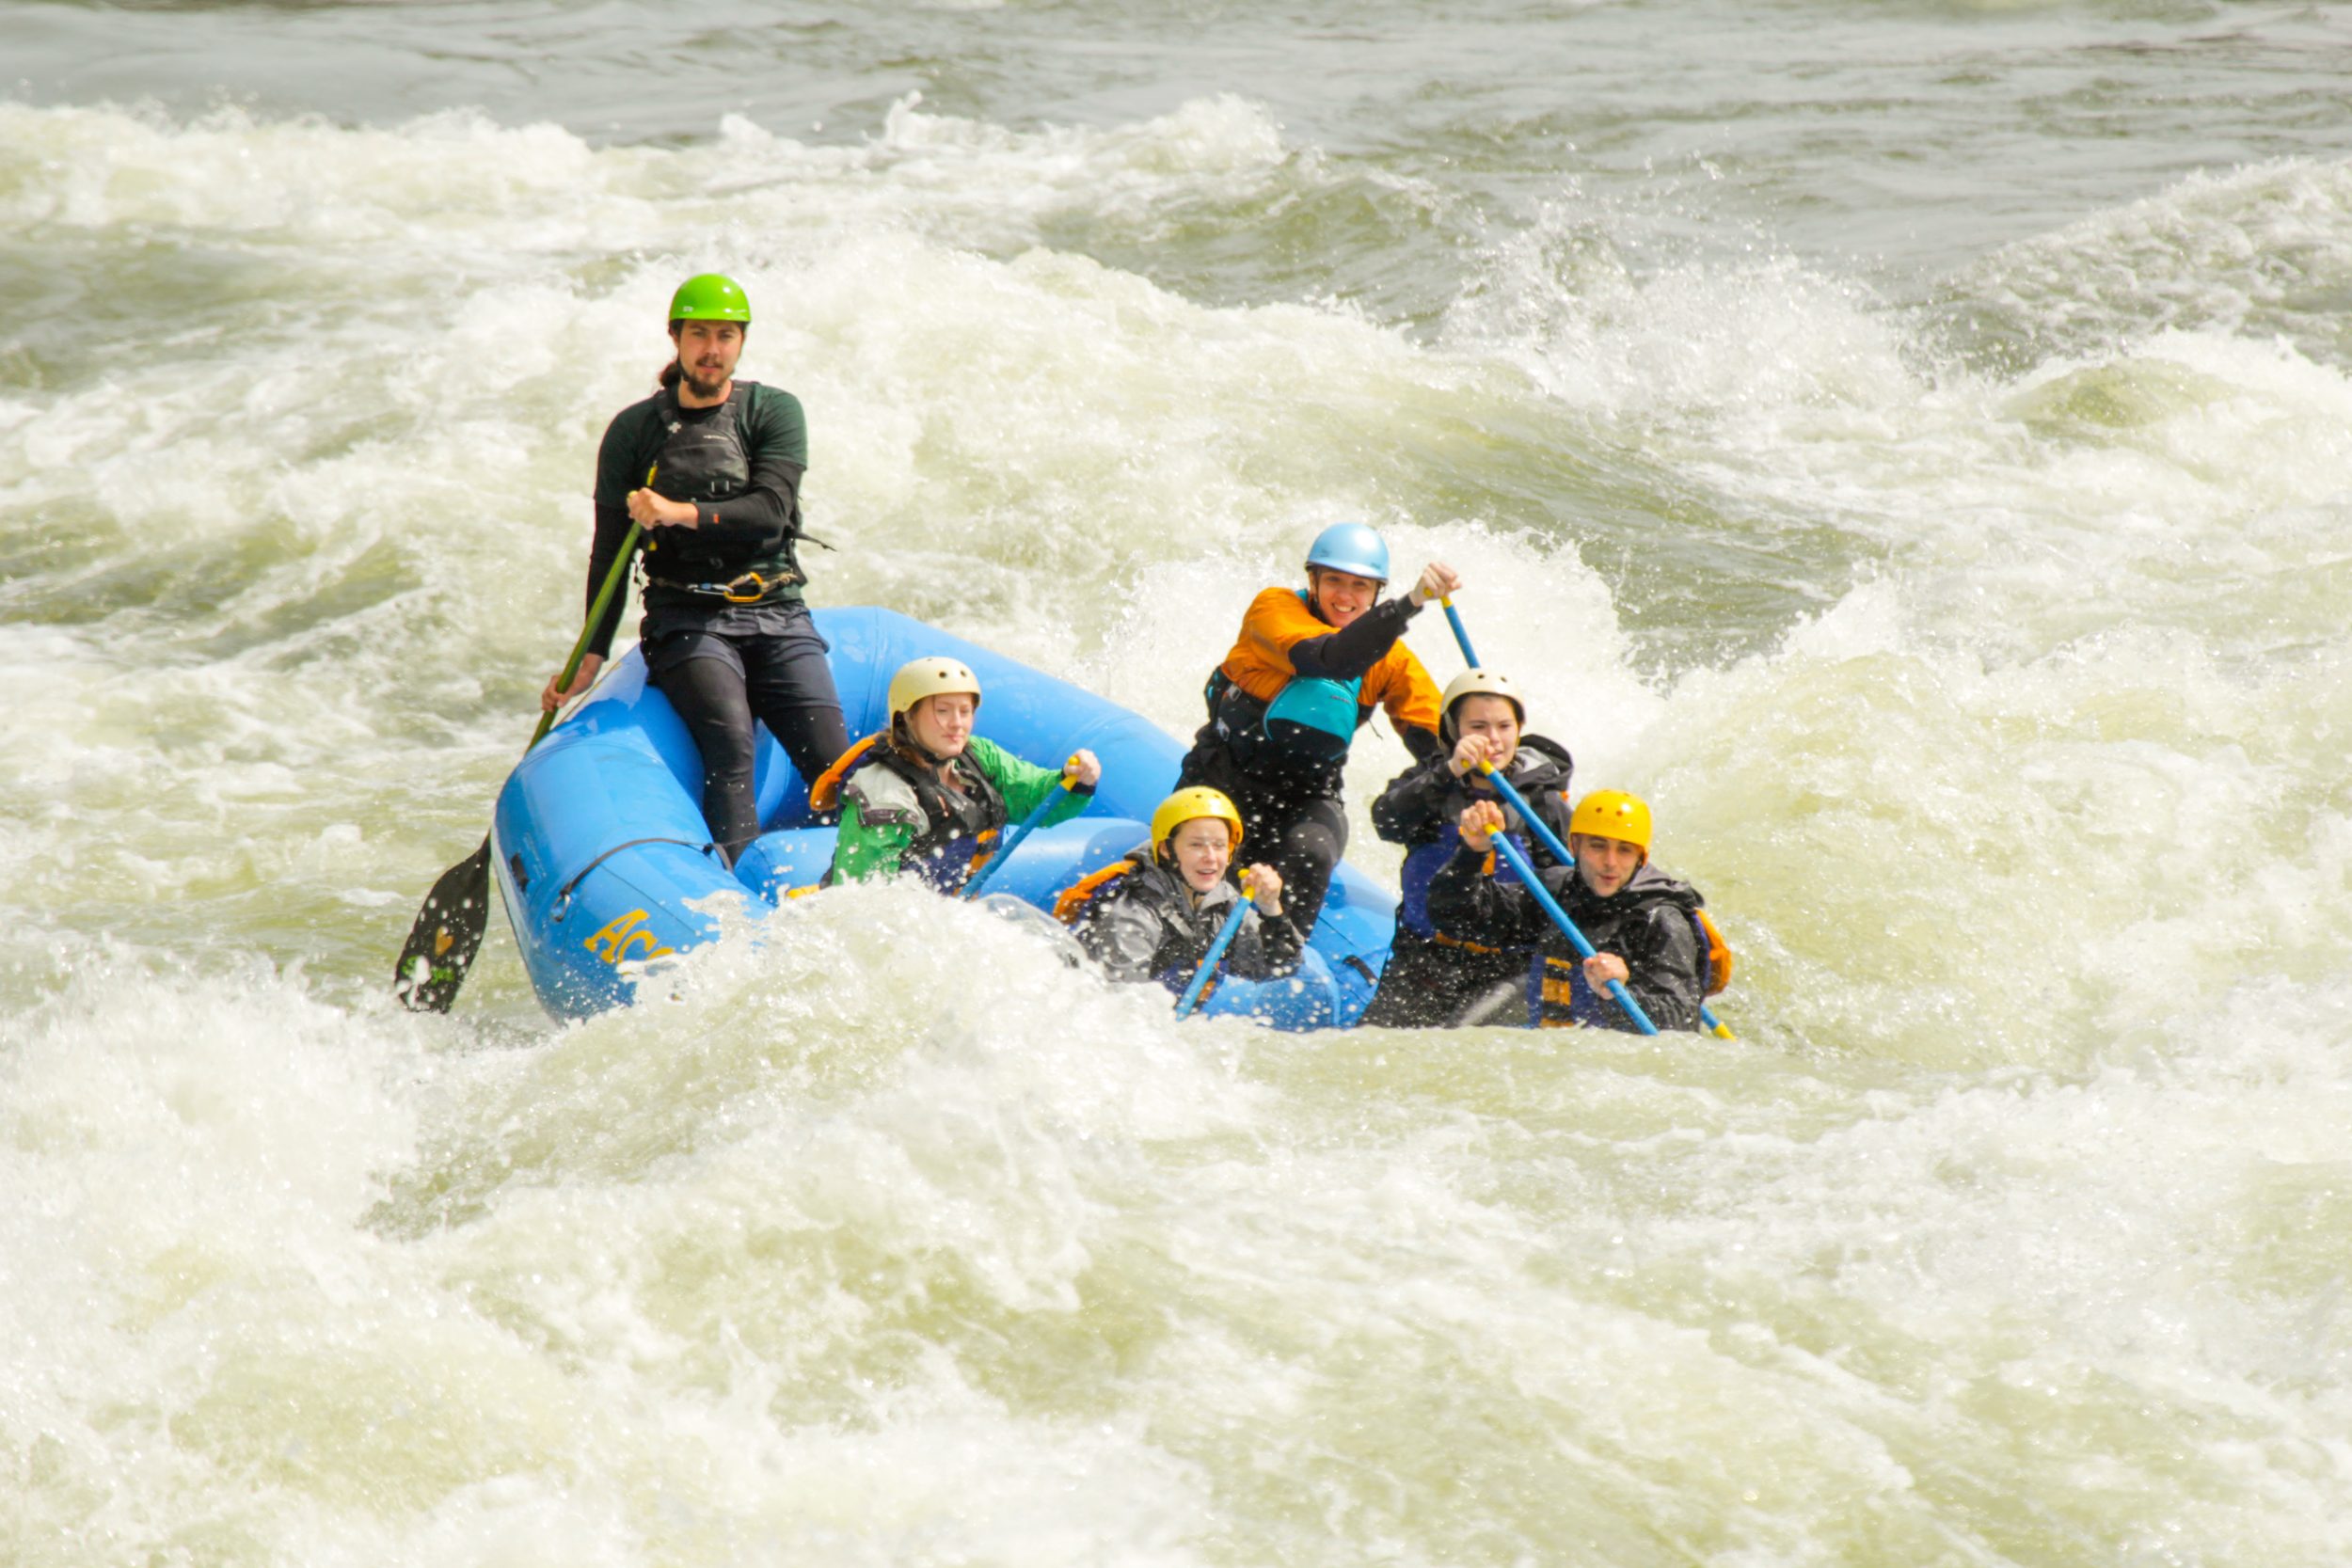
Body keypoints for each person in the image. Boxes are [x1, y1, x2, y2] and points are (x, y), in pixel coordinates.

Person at [541, 273, 848, 867]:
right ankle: (735, 890)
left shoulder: (774, 411)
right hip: (687, 617)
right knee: (731, 744)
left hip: (777, 608)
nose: (712, 349)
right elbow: (610, 551)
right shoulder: (634, 431)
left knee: (836, 763)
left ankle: (860, 884)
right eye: (700, 334)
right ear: (676, 338)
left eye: (726, 336)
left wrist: (676, 512)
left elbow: (769, 512)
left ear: (741, 342)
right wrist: (592, 654)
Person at [1175, 522, 1457, 939]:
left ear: (1375, 592)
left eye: (1360, 586)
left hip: (1305, 796)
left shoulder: (1392, 661)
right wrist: (1410, 604)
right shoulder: (1273, 609)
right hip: (1222, 777)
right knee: (1199, 856)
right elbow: (1329, 660)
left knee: (1312, 853)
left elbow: (1436, 738)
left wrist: (1475, 759)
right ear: (1313, 580)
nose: (1345, 596)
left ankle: (1279, 963)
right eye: (1334, 581)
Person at [1359, 669, 1576, 1027]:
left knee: (1460, 1037)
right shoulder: (1429, 784)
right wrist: (1450, 772)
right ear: (1453, 731)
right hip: (1423, 960)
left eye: (1504, 727)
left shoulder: (1542, 803)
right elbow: (1387, 822)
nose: (1493, 739)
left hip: (1508, 969)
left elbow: (1570, 891)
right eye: (1478, 727)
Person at [1427, 789, 1727, 1033]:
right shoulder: (1556, 892)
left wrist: (1621, 994)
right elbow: (1457, 918)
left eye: (1624, 850)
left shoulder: (1662, 919)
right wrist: (1472, 852)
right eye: (1598, 847)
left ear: (1641, 858)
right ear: (1574, 846)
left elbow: (1681, 1023)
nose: (1610, 862)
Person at [814, 657, 1101, 891]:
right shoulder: (882, 791)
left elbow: (1035, 798)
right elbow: (862, 900)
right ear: (907, 716)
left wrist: (1074, 779)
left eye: (965, 711)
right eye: (943, 711)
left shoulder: (979, 758)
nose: (957, 724)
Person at [1055, 786, 1302, 993]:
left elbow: (1278, 967)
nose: (1211, 858)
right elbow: (1119, 1008)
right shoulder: (1133, 912)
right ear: (1166, 849)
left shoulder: (1223, 901)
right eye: (1196, 845)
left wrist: (1271, 908)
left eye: (1219, 845)